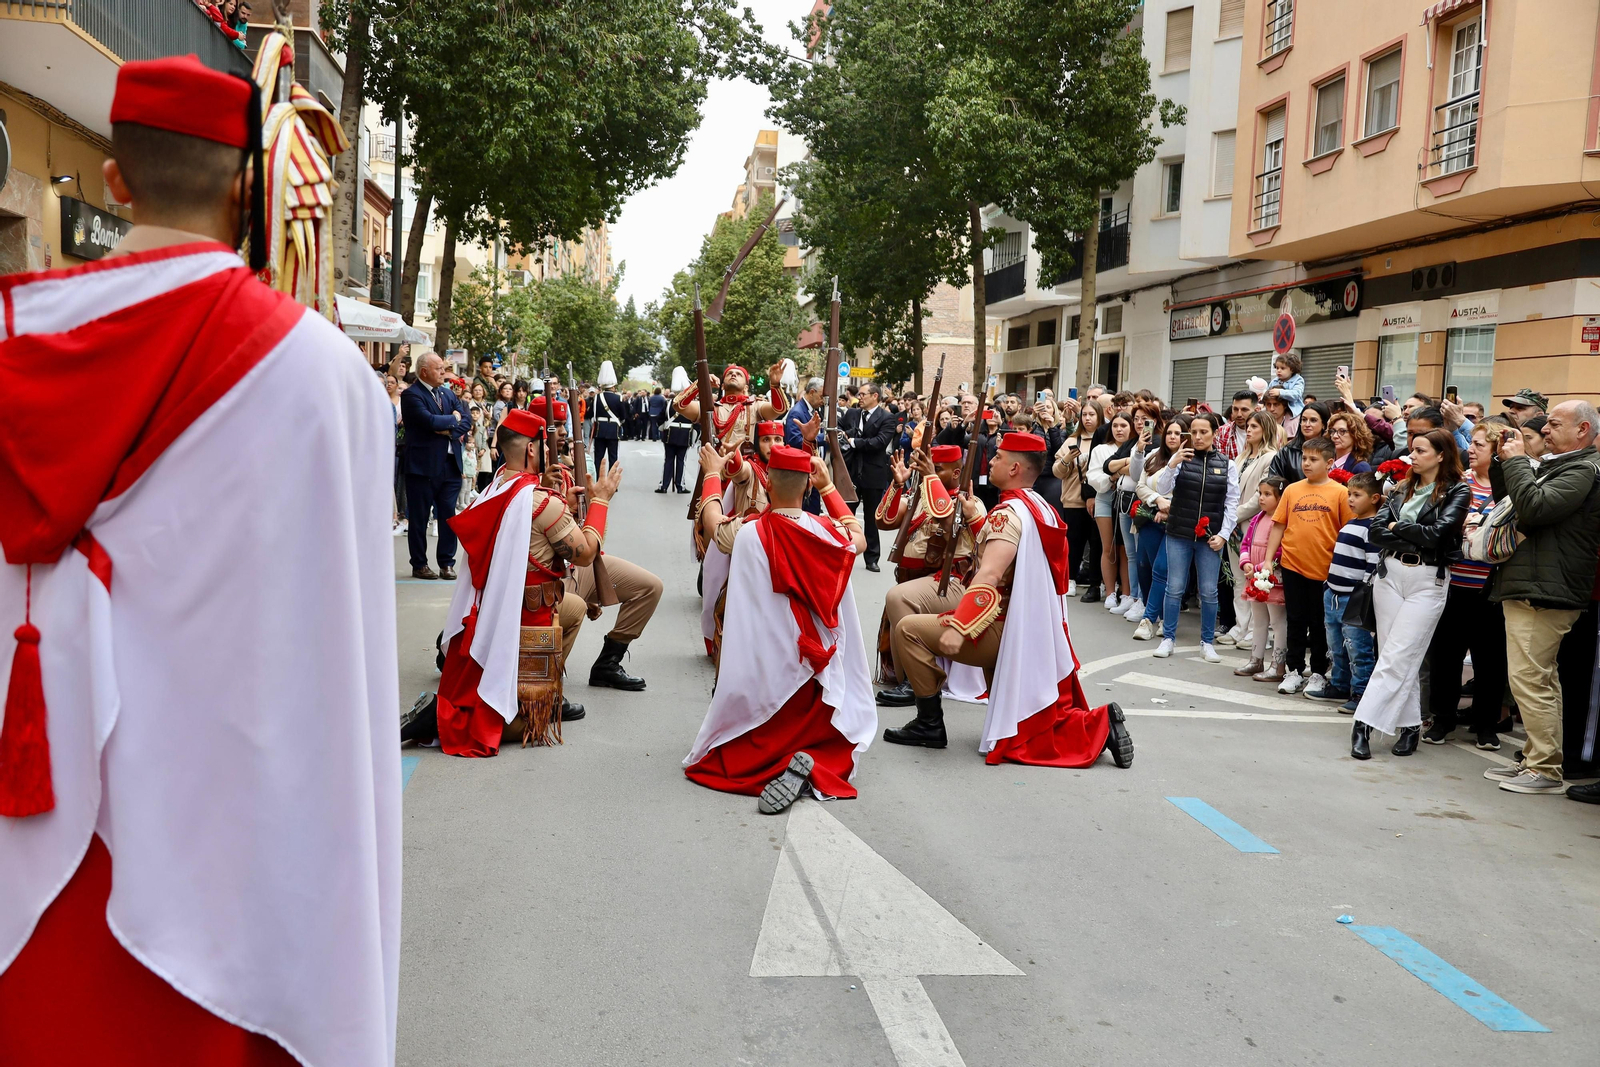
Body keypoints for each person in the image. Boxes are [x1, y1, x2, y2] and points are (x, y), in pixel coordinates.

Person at [0, 55, 398, 1064]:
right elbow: (335, 652)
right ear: (246, 189)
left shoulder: (14, 344)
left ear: (114, 178)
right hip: (243, 843)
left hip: (40, 839)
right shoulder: (325, 378)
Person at [882, 433, 1135, 769]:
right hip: (1032, 626)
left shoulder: (1007, 514)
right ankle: (1098, 726)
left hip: (1003, 626)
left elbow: (989, 576)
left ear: (1015, 467)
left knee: (907, 629)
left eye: (998, 457)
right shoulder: (1039, 507)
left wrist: (960, 626)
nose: (992, 460)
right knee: (1028, 722)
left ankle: (928, 724)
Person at [683, 446, 873, 813]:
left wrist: (710, 473)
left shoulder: (749, 532)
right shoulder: (828, 532)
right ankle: (810, 763)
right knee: (827, 743)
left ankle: (782, 761)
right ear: (807, 486)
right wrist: (830, 488)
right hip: (815, 680)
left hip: (767, 679)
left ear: (767, 483)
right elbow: (859, 537)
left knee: (732, 753)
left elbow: (712, 525)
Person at [434, 408, 616, 757]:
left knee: (574, 607)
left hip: (496, 608)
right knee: (535, 722)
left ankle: (534, 693)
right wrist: (602, 500)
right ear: (533, 450)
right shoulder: (539, 501)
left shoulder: (498, 484)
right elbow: (585, 553)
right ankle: (444, 717)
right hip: (527, 615)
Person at [1482, 401, 1600, 794]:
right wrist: (1505, 462)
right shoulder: (1559, 464)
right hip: (1535, 583)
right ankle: (1536, 760)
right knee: (1539, 679)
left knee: (1530, 679)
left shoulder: (1583, 469)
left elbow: (1533, 508)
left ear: (1582, 430)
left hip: (1547, 590)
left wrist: (1517, 463)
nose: (1544, 429)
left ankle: (1545, 768)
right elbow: (1512, 501)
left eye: (1553, 423)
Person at [528, 392, 661, 692]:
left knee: (650, 587)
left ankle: (607, 664)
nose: (562, 432)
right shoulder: (523, 478)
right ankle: (540, 682)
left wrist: (593, 504)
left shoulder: (568, 468)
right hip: (544, 576)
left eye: (564, 425)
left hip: (576, 562)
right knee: (572, 605)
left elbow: (588, 535)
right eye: (554, 425)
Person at [1352, 430, 1470, 759]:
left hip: (1428, 580)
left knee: (1397, 657)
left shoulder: (1458, 491)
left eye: (1420, 450)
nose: (1412, 456)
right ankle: (1410, 726)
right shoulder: (1402, 488)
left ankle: (1362, 723)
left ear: (1441, 454)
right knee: (1398, 656)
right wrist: (1405, 534)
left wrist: (1396, 529)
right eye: (1412, 450)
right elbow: (1375, 531)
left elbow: (1436, 536)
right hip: (1390, 576)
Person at [872, 445, 982, 705]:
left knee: (898, 597)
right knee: (898, 595)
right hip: (919, 580)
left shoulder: (968, 501)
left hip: (953, 583)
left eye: (936, 469)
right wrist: (898, 485)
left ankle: (914, 682)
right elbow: (883, 521)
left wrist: (931, 477)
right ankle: (906, 679)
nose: (923, 473)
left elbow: (947, 522)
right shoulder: (921, 497)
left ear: (956, 473)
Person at [1423, 422, 1508, 748]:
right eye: (1470, 443)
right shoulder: (1458, 485)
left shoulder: (1510, 489)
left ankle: (1485, 724)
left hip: (1492, 589)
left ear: (1497, 451)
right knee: (1446, 656)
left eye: (1479, 445)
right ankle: (1442, 720)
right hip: (1454, 584)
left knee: (1491, 661)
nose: (1469, 449)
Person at [1261, 438, 1351, 694]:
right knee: (1296, 620)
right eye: (1304, 458)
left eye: (1314, 459)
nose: (1307, 464)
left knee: (1319, 623)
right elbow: (1279, 524)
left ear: (1330, 463)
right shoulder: (1292, 490)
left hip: (1325, 569)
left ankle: (1319, 672)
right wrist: (1268, 559)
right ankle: (1294, 670)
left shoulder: (1340, 493)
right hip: (1292, 565)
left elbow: (1347, 530)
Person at [1150, 412, 1240, 661]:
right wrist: (1172, 463)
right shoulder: (1181, 460)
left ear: (1214, 434)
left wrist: (1223, 535)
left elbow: (1232, 504)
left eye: (1204, 432)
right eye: (1194, 432)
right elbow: (1162, 489)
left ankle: (1207, 641)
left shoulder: (1227, 464)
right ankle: (1168, 638)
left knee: (1209, 591)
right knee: (1175, 587)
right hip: (1179, 532)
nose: (1198, 437)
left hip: (1210, 537)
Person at [1311, 472, 1382, 709]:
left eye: (1357, 495)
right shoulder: (1351, 523)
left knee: (1358, 647)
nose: (1350, 499)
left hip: (1353, 597)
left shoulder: (1373, 529)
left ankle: (1361, 692)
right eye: (1349, 494)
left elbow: (1372, 566)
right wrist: (1327, 587)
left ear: (1374, 498)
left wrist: (1361, 596)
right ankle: (1340, 685)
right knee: (1336, 645)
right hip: (1333, 593)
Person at [401, 352, 469, 579]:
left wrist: (450, 426)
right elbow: (428, 421)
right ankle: (419, 563)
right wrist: (454, 419)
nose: (443, 372)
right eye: (439, 368)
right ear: (424, 372)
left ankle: (447, 563)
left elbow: (467, 419)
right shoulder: (412, 395)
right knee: (420, 518)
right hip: (423, 467)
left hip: (450, 465)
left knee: (449, 517)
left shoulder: (447, 393)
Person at [1219, 410, 1283, 648]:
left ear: (1265, 429)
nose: (1249, 430)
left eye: (1254, 426)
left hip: (1252, 524)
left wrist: (1233, 516)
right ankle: (1241, 625)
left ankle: (1258, 631)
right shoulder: (1241, 456)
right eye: (1248, 427)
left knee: (1255, 576)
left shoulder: (1270, 457)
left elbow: (1261, 496)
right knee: (1238, 578)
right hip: (1234, 525)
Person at [1131, 415, 1182, 642]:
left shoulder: (1190, 460)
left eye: (1178, 433)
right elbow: (1140, 485)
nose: (1173, 437)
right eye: (1169, 433)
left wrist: (1168, 507)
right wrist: (1156, 500)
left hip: (1176, 521)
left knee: (1162, 568)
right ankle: (1162, 616)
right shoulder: (1153, 456)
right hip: (1150, 518)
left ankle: (1148, 619)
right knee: (1148, 567)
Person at [674, 361, 791, 456]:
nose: (733, 375)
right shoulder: (710, 408)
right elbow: (678, 405)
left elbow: (778, 410)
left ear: (746, 387)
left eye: (738, 374)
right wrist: (700, 384)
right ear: (723, 385)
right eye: (729, 374)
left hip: (746, 472)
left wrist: (775, 385)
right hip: (717, 470)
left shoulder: (755, 406)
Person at [1238, 477, 1289, 680]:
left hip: (1272, 578)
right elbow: (1245, 544)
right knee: (1258, 619)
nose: (1262, 498)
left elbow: (1280, 550)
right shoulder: (1257, 518)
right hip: (1255, 577)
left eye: (1268, 494)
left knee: (1277, 621)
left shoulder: (1281, 521)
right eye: (1260, 493)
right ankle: (1256, 659)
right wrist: (1246, 563)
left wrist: (1260, 567)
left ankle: (1278, 663)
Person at [843, 382, 896, 572]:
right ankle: (842, 551)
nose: (860, 397)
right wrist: (845, 438)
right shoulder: (852, 414)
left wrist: (855, 442)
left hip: (873, 472)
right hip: (851, 471)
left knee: (871, 518)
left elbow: (879, 442)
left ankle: (872, 557)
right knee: (845, 514)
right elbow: (842, 432)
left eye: (863, 394)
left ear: (875, 396)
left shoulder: (887, 418)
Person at [1087, 412, 1135, 611]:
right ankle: (1109, 592)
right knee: (1108, 547)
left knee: (1125, 549)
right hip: (1105, 498)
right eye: (1115, 426)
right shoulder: (1100, 449)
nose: (1119, 429)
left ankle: (1126, 593)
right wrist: (1113, 477)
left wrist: (1116, 471)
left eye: (1123, 425)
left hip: (1127, 499)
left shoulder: (1136, 447)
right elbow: (1093, 476)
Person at [1053, 398, 1099, 599]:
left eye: (1092, 414)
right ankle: (1069, 579)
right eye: (1085, 415)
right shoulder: (1072, 440)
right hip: (1073, 498)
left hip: (1100, 500)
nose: (1087, 419)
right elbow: (1057, 472)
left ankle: (1097, 583)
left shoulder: (1105, 440)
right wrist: (1066, 460)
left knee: (1097, 543)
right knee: (1074, 542)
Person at [1267, 401, 1329, 485]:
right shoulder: (1287, 451)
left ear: (1324, 424)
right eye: (1304, 420)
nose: (1307, 424)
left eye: (1313, 420)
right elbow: (1274, 482)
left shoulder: (1332, 449)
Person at [590, 360, 627, 473]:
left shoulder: (596, 398)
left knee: (598, 458)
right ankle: (612, 481)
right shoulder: (618, 398)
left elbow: (592, 414)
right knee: (613, 457)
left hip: (600, 430)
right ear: (613, 386)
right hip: (613, 430)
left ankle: (597, 480)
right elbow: (623, 416)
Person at [1326, 410, 1374, 474]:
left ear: (1355, 435)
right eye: (1333, 431)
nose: (1335, 436)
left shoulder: (1361, 467)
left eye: (1342, 431)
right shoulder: (1324, 461)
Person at [1215, 389, 1257, 460]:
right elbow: (1219, 462)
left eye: (1244, 410)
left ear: (1256, 410)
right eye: (1235, 409)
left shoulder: (1266, 432)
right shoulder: (1222, 432)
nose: (1239, 414)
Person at [1272, 352, 1307, 418]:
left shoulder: (1298, 380)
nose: (1279, 370)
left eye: (1282, 368)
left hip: (1293, 413)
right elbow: (1268, 394)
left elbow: (1296, 394)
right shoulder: (1274, 381)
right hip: (1276, 411)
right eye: (1277, 368)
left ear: (1292, 369)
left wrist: (1280, 392)